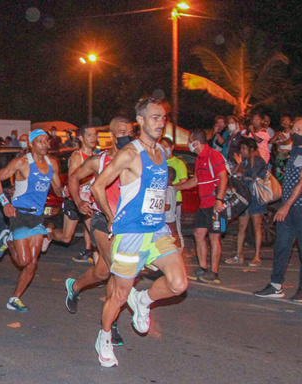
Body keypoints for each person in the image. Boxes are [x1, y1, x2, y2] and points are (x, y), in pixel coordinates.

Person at [90, 97, 187, 367]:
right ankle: (105, 336)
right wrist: (111, 218)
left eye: (164, 118)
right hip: (130, 233)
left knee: (179, 284)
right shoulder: (130, 153)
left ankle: (143, 300)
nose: (161, 123)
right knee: (119, 296)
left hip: (156, 230)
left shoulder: (161, 153)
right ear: (141, 121)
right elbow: (98, 186)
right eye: (155, 117)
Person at [63, 116, 132, 346]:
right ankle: (110, 325)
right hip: (103, 220)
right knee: (117, 266)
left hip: (127, 223)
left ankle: (75, 286)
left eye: (130, 132)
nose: (127, 136)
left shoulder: (136, 159)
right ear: (112, 136)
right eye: (122, 132)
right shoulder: (98, 161)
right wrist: (77, 201)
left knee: (102, 272)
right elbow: (74, 177)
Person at [0, 129, 63, 312]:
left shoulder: (52, 164)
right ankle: (8, 240)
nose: (44, 144)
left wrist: (68, 193)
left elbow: (57, 189)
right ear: (31, 144)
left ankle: (14, 299)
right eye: (40, 141)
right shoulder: (21, 163)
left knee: (32, 264)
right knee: (23, 261)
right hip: (19, 215)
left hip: (37, 216)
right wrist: (4, 203)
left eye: (46, 141)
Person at [254, 118, 302, 302]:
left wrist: (286, 206)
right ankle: (276, 285)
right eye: (294, 128)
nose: (295, 132)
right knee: (282, 246)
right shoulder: (296, 149)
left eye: (300, 130)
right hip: (288, 206)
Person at [176, 130, 228, 284]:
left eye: (189, 140)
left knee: (214, 237)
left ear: (196, 142)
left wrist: (219, 200)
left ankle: (214, 272)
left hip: (214, 203)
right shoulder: (200, 158)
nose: (188, 143)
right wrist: (177, 187)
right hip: (204, 204)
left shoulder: (214, 155)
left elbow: (223, 178)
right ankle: (203, 268)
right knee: (198, 234)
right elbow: (196, 180)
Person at [49, 126, 97, 261]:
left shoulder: (95, 156)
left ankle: (91, 253)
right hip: (75, 200)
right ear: (81, 138)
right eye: (89, 135)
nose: (93, 138)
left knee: (94, 231)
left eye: (95, 135)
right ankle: (48, 234)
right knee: (66, 238)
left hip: (89, 201)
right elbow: (73, 180)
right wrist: (93, 176)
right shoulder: (77, 156)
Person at [229, 138, 267, 267]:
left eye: (244, 148)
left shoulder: (258, 160)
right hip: (245, 196)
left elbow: (253, 174)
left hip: (256, 197)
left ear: (250, 149)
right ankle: (238, 254)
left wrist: (243, 171)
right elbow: (234, 172)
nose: (242, 151)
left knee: (256, 226)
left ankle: (257, 255)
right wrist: (239, 165)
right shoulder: (244, 160)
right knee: (241, 226)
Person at [159, 137, 188, 253]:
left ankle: (179, 250)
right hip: (162, 201)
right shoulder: (159, 161)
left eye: (165, 146)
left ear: (171, 147)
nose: (163, 149)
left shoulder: (178, 163)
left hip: (174, 201)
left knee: (175, 228)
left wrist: (170, 187)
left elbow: (184, 180)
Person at [270, 113, 294, 181]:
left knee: (287, 172)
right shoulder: (279, 133)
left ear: (291, 122)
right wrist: (278, 135)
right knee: (279, 173)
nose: (285, 123)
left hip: (288, 155)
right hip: (280, 155)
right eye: (283, 121)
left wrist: (279, 142)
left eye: (287, 121)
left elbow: (288, 142)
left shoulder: (292, 132)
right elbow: (271, 141)